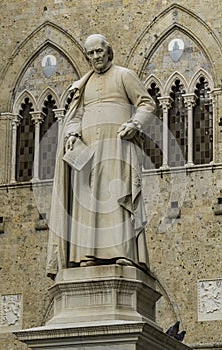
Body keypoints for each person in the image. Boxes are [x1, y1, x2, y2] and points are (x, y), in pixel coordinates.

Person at [46, 34, 156, 279]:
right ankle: (88, 254)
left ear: (108, 52)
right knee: (89, 201)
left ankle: (122, 252)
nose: (96, 57)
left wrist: (135, 124)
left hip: (118, 148)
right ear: (87, 57)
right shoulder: (82, 86)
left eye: (99, 51)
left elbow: (147, 104)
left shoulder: (124, 75)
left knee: (117, 197)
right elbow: (74, 116)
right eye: (91, 53)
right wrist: (72, 134)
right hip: (88, 154)